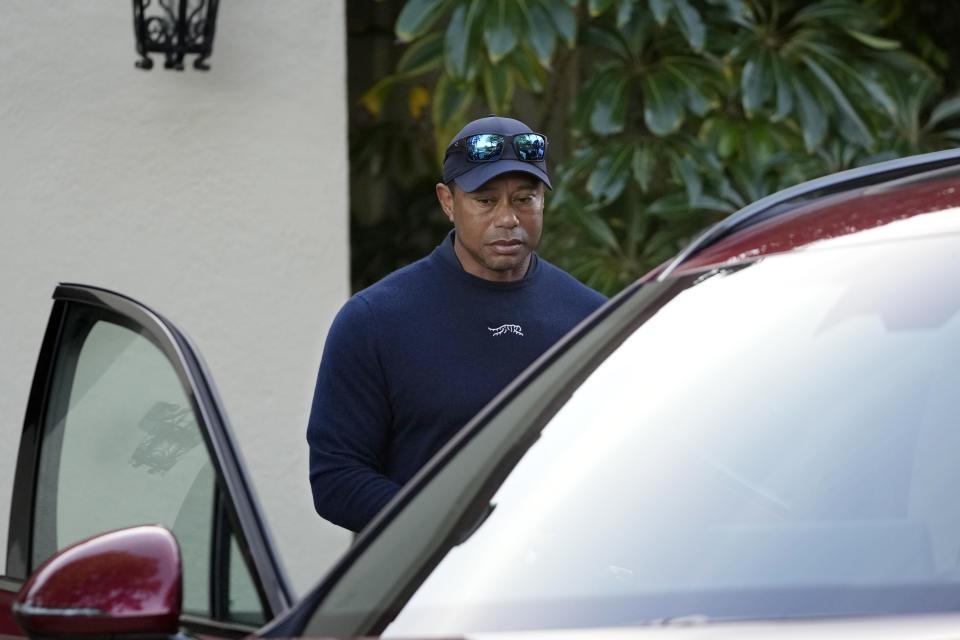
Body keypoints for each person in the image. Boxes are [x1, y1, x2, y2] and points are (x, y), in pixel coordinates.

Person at [307, 115, 607, 532]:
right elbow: (336, 479)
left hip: (558, 578)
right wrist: (457, 529)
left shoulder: (595, 320)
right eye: (485, 200)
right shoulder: (374, 320)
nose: (508, 218)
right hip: (425, 587)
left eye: (525, 198)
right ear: (447, 202)